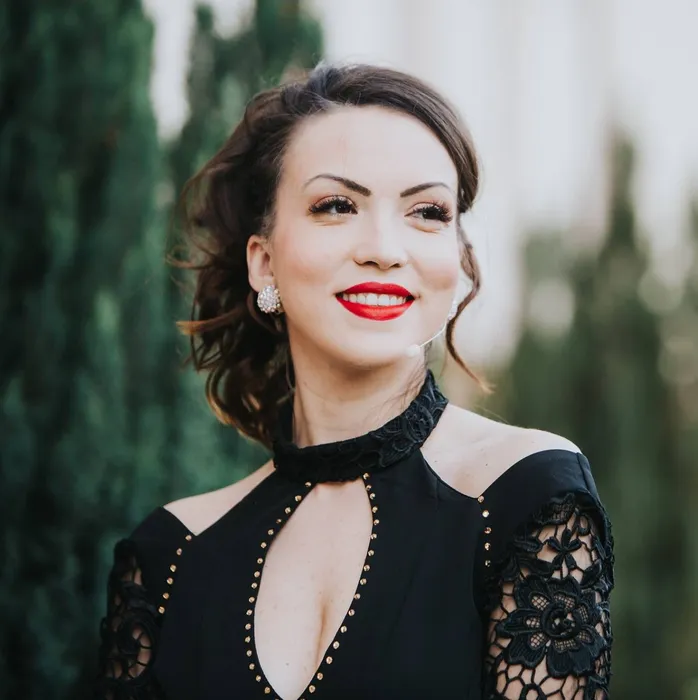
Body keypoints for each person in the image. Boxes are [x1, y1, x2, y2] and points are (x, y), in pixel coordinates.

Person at [93, 62, 614, 699]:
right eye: (336, 206)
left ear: (458, 260)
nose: (384, 249)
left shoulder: (528, 496)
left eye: (427, 212)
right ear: (263, 262)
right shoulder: (167, 556)